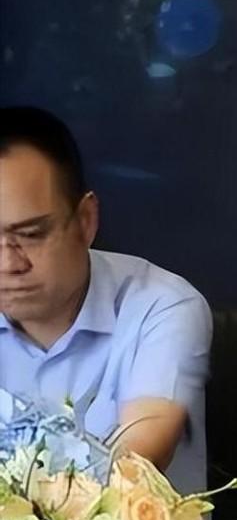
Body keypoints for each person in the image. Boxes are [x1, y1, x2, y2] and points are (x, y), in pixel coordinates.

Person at [0, 106, 211, 491]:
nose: (9, 264)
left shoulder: (162, 308)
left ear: (85, 221)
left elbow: (134, 466)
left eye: (30, 235)